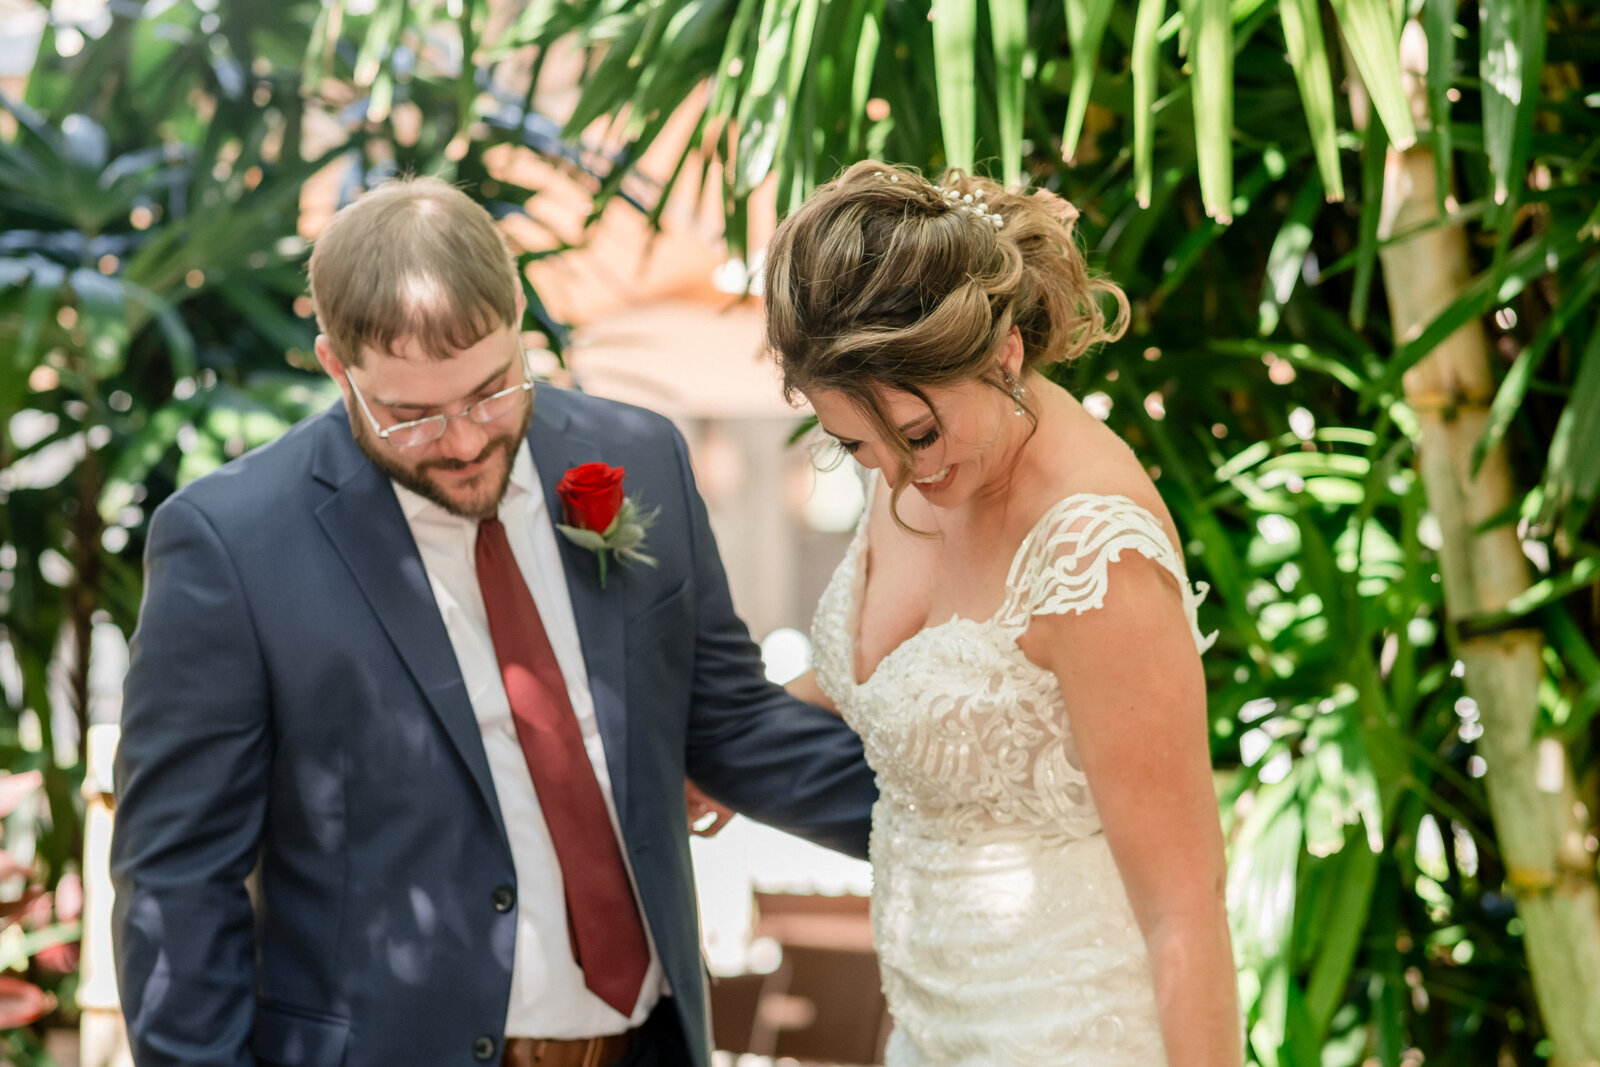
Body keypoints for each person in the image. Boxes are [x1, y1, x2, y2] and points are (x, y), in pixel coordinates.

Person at [110, 176, 877, 1067]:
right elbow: (176, 880)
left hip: (646, 1044)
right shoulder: (232, 545)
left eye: (490, 389)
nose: (467, 439)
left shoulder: (640, 455)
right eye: (412, 416)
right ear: (335, 365)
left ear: (519, 315)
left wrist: (971, 825)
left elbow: (732, 724)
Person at [764, 160, 1242, 1066]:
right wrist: (725, 748)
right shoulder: (924, 453)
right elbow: (881, 676)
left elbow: (1185, 909)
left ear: (1004, 354)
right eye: (856, 447)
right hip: (926, 1032)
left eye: (915, 435)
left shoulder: (1096, 563)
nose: (901, 477)